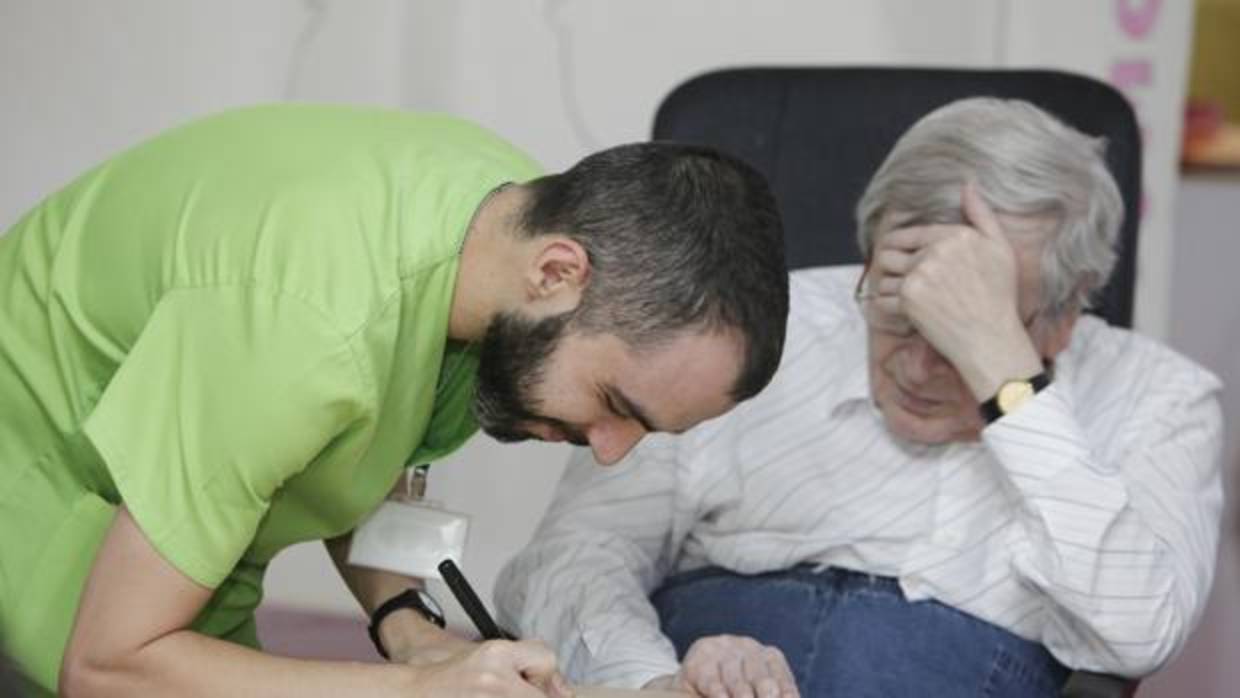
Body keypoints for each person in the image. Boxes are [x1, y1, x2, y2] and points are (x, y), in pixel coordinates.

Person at [0, 103, 789, 696]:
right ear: (557, 273)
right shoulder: (304, 331)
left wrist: (407, 629)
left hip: (177, 522)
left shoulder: (502, 219)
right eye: (617, 401)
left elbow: (369, 436)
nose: (612, 449)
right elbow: (108, 663)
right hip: (40, 485)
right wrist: (415, 689)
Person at [496, 98, 1224, 698]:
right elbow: (571, 558)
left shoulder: (1159, 397)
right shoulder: (738, 336)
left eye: (964, 328)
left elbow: (1140, 632)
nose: (921, 365)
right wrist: (651, 679)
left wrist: (1005, 376)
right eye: (900, 310)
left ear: (1068, 316)